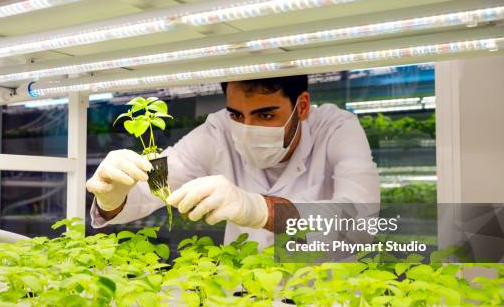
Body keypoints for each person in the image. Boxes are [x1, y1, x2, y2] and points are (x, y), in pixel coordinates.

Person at [86, 75, 380, 247]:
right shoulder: (218, 131)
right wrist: (114, 196)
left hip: (328, 300)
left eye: (266, 115)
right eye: (237, 115)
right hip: (244, 297)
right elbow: (159, 180)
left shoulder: (336, 129)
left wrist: (258, 209)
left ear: (301, 107)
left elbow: (360, 218)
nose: (247, 128)